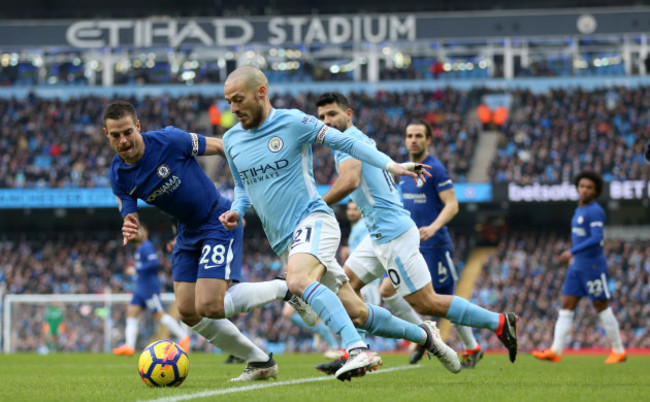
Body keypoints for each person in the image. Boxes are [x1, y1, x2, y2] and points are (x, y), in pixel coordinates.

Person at [219, 66, 461, 382]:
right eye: (229, 102)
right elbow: (241, 185)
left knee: (297, 281)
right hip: (283, 241)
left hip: (313, 219)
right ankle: (426, 335)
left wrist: (391, 165)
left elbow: (347, 142)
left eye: (239, 99)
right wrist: (238, 209)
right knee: (358, 313)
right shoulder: (231, 139)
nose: (233, 109)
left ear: (261, 92)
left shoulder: (293, 122)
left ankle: (357, 350)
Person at [104, 100, 316, 382]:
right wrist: (132, 232)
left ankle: (284, 288)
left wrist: (245, 189)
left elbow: (222, 147)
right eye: (115, 135)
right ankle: (260, 362)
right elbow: (134, 227)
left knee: (211, 306)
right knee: (188, 312)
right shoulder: (118, 175)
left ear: (138, 126)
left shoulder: (169, 140)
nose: (123, 141)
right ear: (106, 135)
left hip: (217, 220)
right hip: (186, 233)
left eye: (127, 132)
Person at [314, 92, 518, 372]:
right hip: (379, 235)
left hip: (393, 236)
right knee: (344, 286)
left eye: (332, 115)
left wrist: (314, 206)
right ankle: (356, 350)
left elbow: (349, 181)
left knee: (427, 302)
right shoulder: (362, 139)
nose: (326, 121)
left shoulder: (347, 144)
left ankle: (498, 322)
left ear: (348, 115)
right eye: (322, 117)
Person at [384, 120, 483, 368]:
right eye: (409, 135)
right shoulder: (404, 171)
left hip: (434, 246)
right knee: (387, 291)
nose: (413, 139)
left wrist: (433, 227)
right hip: (408, 246)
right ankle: (424, 335)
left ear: (428, 140)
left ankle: (473, 347)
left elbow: (452, 204)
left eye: (419, 135)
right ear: (405, 140)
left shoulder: (435, 169)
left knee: (445, 301)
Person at [532, 171, 626, 364]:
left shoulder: (595, 211)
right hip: (577, 268)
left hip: (592, 266)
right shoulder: (579, 210)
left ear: (596, 191)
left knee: (601, 306)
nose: (584, 190)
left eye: (589, 187)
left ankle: (618, 350)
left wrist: (571, 251)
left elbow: (596, 238)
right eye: (582, 186)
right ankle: (555, 350)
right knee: (566, 307)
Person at [113, 223, 191, 356]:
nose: (136, 233)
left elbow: (154, 263)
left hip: (149, 288)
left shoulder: (146, 246)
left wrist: (136, 269)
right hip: (140, 288)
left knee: (158, 315)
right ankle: (129, 346)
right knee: (131, 312)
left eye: (140, 230)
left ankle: (184, 337)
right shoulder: (139, 248)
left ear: (145, 233)